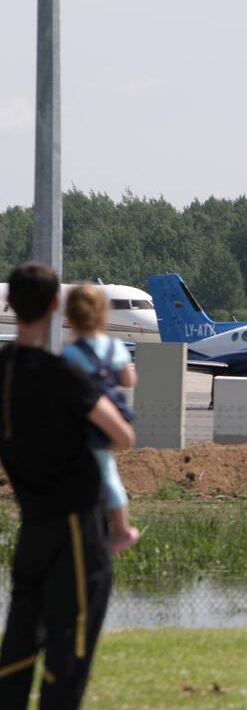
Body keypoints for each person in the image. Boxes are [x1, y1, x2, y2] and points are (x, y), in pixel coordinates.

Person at [0, 262, 134, 709]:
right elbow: (122, 435)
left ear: (9, 305)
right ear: (56, 306)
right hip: (77, 528)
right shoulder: (62, 375)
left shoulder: (4, 369)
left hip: (32, 524)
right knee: (69, 651)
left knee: (19, 644)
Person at [62, 284, 140, 553]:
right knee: (108, 473)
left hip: (80, 423)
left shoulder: (69, 352)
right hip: (110, 423)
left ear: (69, 317)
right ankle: (120, 528)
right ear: (103, 316)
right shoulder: (115, 347)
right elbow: (128, 380)